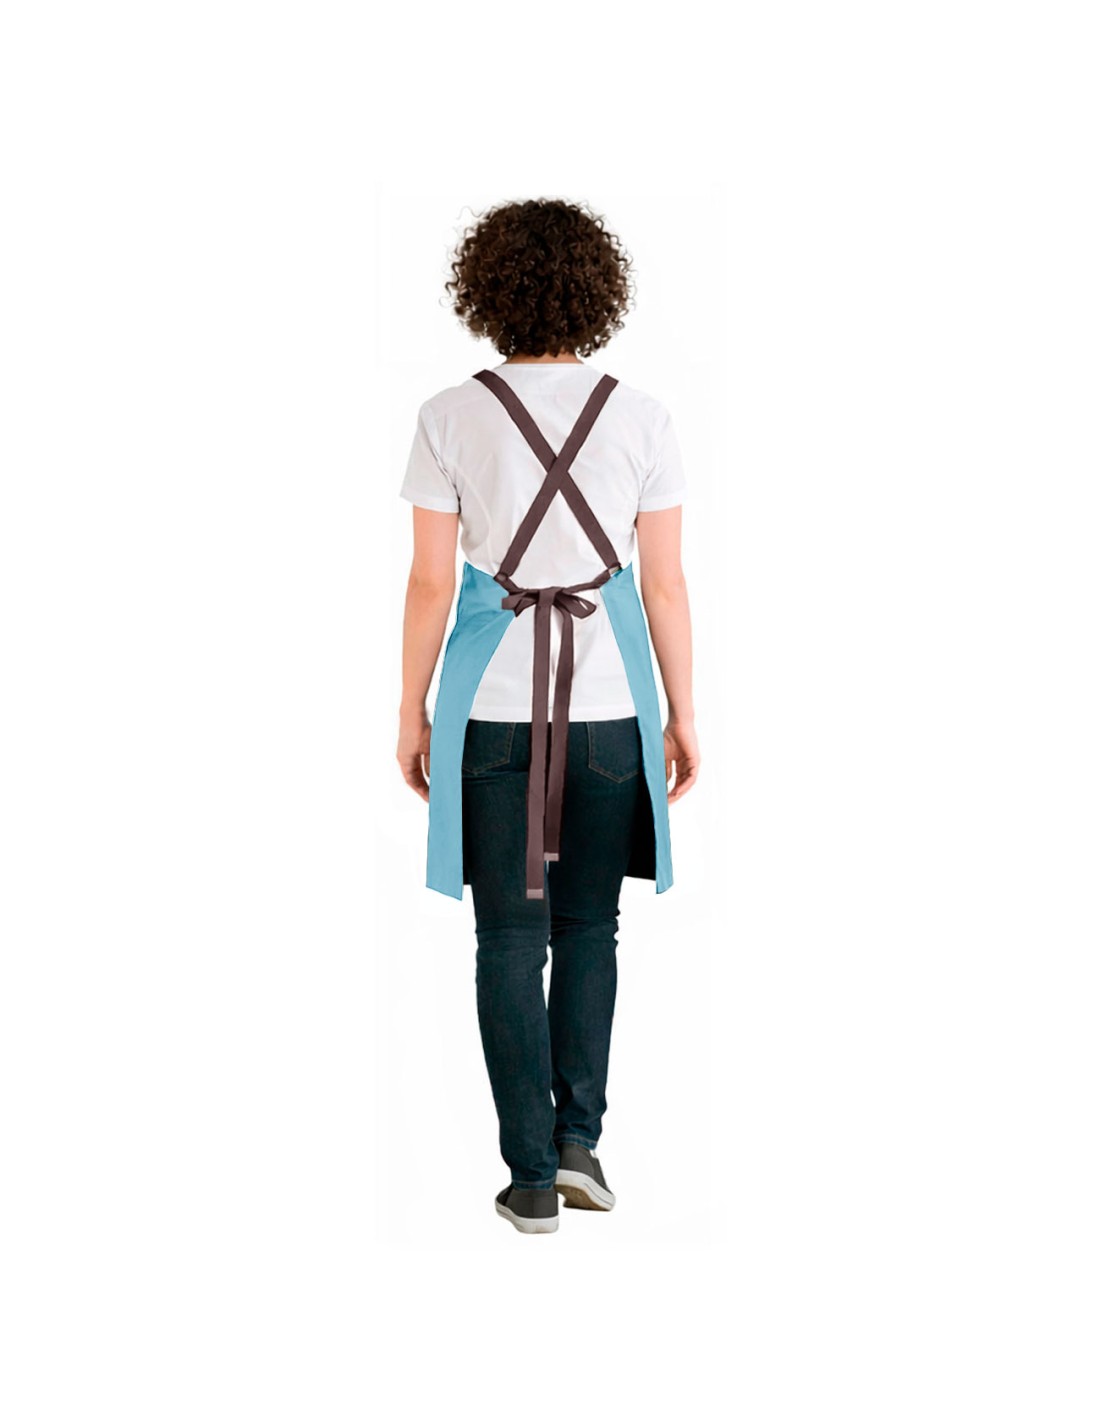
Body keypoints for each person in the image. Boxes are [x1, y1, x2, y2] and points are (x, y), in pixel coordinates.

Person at [396, 197, 699, 1234]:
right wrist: (683, 713)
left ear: (485, 290)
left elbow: (429, 586)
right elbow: (664, 585)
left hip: (489, 712)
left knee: (506, 939)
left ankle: (529, 1179)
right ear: (595, 291)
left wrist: (411, 711)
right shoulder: (641, 416)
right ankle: (580, 1146)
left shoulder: (449, 414)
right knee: (588, 930)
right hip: (610, 711)